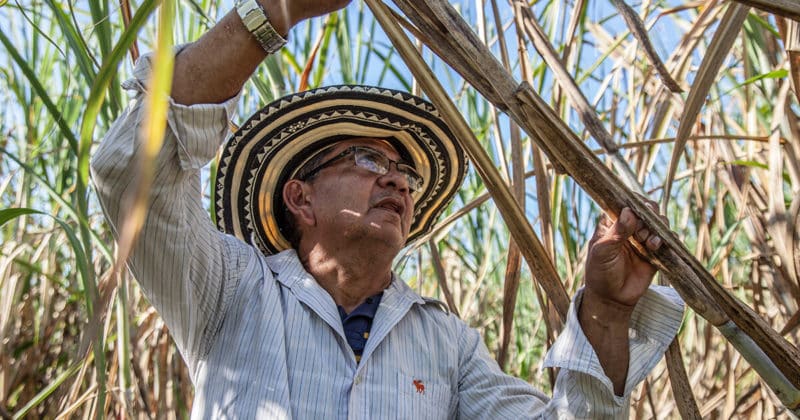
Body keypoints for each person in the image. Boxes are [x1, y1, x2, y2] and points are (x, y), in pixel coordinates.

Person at [91, 0, 684, 418]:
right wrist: (273, 12)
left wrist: (607, 311)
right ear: (300, 198)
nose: (397, 180)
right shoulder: (228, 289)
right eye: (368, 160)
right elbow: (129, 171)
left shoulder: (446, 344)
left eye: (405, 173)